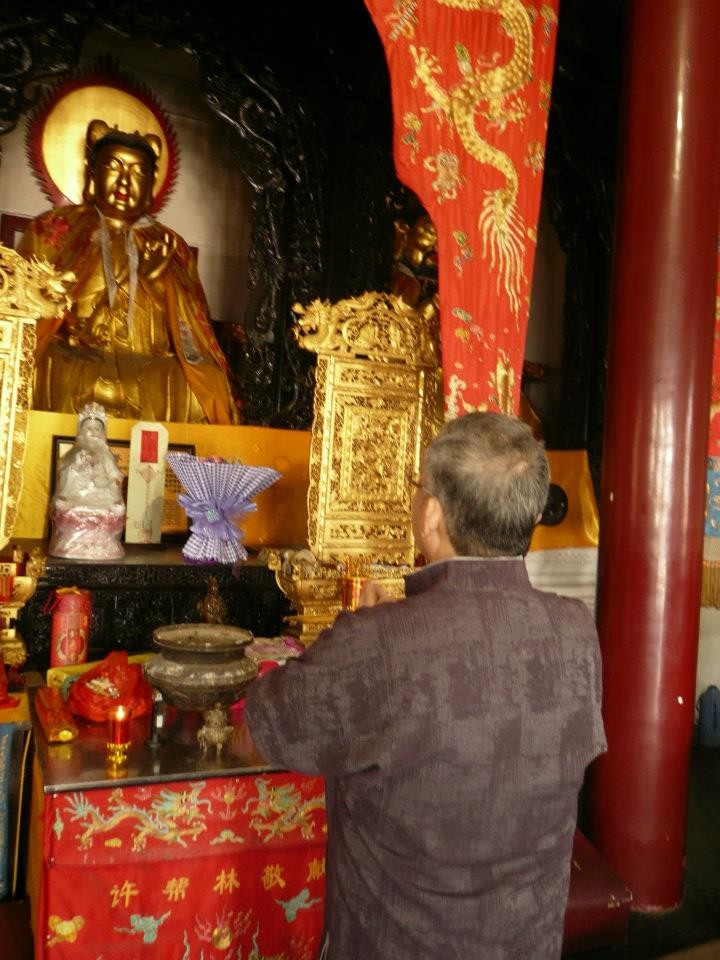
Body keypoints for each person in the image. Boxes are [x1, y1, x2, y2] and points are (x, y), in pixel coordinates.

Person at [244, 411, 606, 960]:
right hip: (525, 944)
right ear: (533, 515)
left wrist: (356, 638)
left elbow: (267, 726)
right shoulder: (576, 630)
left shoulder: (380, 642)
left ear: (431, 514)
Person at [19, 118, 240, 424]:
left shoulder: (171, 244)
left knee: (200, 386)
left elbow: (189, 329)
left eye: (137, 172)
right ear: (92, 173)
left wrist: (156, 285)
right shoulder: (54, 228)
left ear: (151, 184)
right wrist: (70, 316)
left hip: (148, 363)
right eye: (114, 167)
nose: (124, 182)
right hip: (73, 355)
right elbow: (26, 312)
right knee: (37, 367)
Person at [49, 402, 126, 560]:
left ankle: (102, 544)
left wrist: (109, 479)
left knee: (113, 507)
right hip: (77, 494)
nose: (93, 433)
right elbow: (66, 474)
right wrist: (77, 467)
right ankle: (71, 543)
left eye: (97, 429)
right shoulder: (75, 454)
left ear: (103, 433)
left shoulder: (106, 455)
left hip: (101, 493)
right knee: (65, 502)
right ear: (81, 431)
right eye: (89, 429)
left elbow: (114, 475)